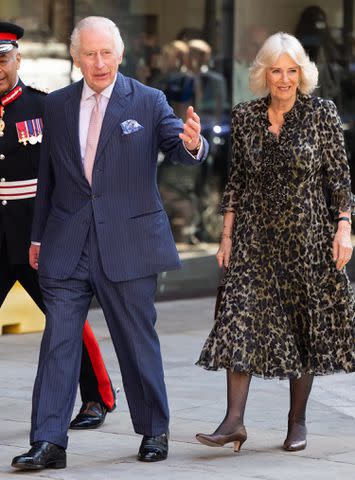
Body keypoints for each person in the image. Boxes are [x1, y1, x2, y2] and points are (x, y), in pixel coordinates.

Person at [11, 16, 208, 470]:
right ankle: (49, 442)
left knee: (136, 341)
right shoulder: (57, 105)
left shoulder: (148, 99)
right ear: (75, 57)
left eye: (106, 53)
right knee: (59, 340)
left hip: (129, 243)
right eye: (89, 54)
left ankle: (153, 429)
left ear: (120, 55)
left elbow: (177, 147)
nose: (98, 62)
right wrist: (38, 236)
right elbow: (49, 179)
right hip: (67, 243)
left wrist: (192, 145)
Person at [196, 32, 355, 453]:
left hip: (306, 238)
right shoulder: (246, 115)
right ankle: (234, 421)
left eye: (291, 70)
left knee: (303, 327)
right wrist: (226, 235)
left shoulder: (321, 113)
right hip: (253, 238)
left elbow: (339, 178)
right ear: (263, 73)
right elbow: (237, 181)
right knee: (238, 318)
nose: (284, 79)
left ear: (302, 73)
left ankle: (296, 422)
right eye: (276, 70)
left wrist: (344, 227)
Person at [0, 22, 117, 431]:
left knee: (67, 319)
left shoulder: (43, 107)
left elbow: (64, 173)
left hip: (38, 235)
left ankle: (96, 397)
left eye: (2, 59)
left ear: (17, 59)